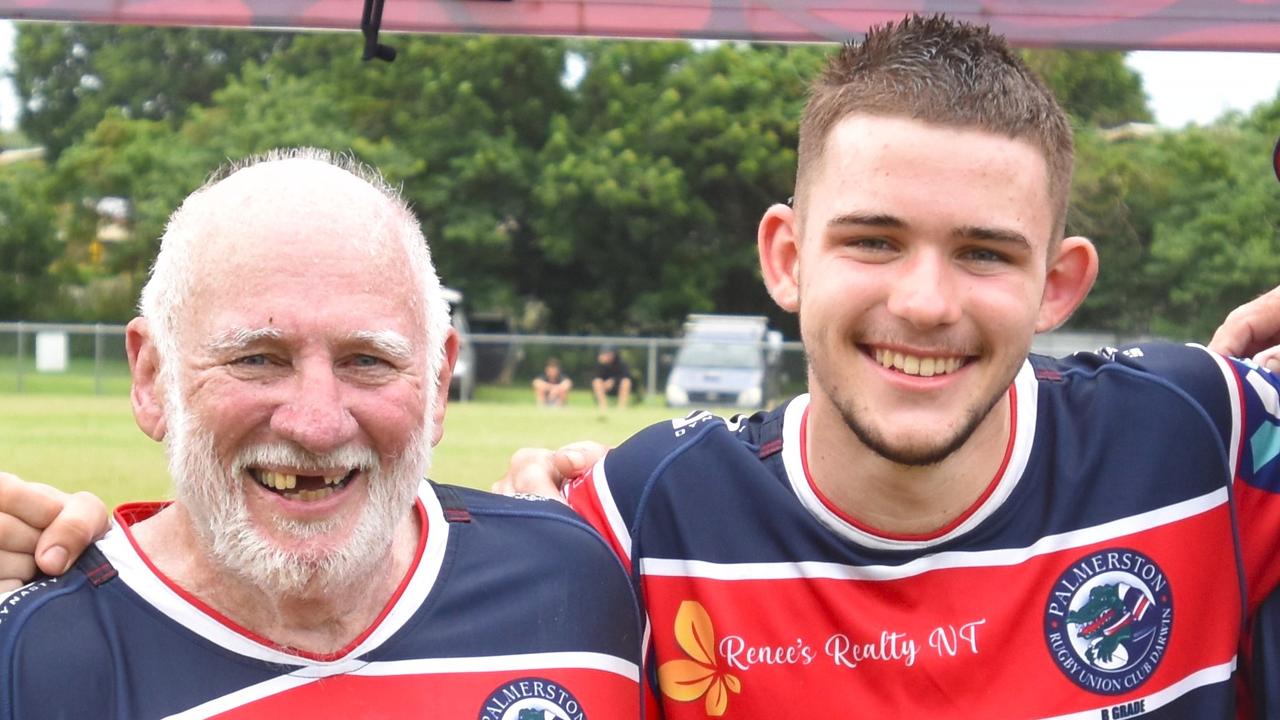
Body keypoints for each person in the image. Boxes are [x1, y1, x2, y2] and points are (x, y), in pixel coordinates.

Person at [5, 16, 1280, 719]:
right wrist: (67, 557)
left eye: (986, 255)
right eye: (872, 241)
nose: (925, 302)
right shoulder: (630, 521)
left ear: (1059, 284)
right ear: (784, 256)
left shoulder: (1201, 432)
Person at [0, 150, 642, 719]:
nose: (317, 423)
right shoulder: (34, 652)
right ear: (151, 376)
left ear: (438, 383)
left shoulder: (579, 580)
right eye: (257, 359)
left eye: (368, 360)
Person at [591, 346, 633, 412]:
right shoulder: (600, 364)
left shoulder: (622, 363)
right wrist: (602, 364)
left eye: (608, 354)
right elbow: (596, 376)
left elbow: (626, 375)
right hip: (604, 387)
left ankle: (622, 407)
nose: (606, 356)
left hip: (618, 386)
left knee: (626, 381)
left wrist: (613, 380)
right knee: (597, 382)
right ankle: (603, 406)